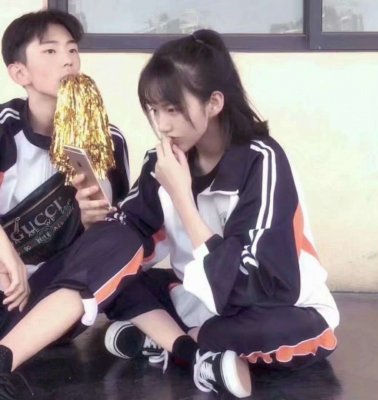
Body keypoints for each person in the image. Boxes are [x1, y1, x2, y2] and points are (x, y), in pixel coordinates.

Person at [0, 28, 339, 399]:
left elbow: (258, 285)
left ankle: (173, 342)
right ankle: (6, 360)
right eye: (154, 110)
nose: (162, 124)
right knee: (112, 256)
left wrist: (182, 197)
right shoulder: (160, 161)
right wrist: (95, 228)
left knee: (268, 330)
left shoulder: (261, 161)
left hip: (273, 305)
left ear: (214, 103)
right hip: (192, 297)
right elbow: (125, 238)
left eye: (173, 110)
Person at [0, 9, 130, 397]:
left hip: (54, 300)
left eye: (73, 50)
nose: (68, 60)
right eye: (51, 51)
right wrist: (7, 253)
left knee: (120, 239)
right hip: (6, 284)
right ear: (19, 73)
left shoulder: (108, 141)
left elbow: (101, 246)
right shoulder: (5, 129)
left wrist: (92, 222)